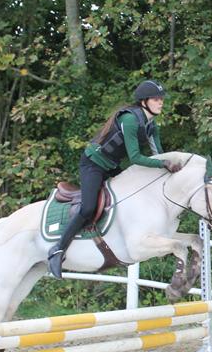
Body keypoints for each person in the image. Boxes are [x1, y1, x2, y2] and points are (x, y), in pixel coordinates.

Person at [46, 79, 182, 279]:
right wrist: (163, 165)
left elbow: (158, 155)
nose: (161, 102)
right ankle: (57, 250)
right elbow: (135, 157)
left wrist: (171, 168)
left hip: (111, 166)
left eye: (161, 99)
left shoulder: (152, 126)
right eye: (156, 99)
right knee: (88, 208)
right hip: (93, 164)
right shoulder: (130, 120)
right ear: (144, 101)